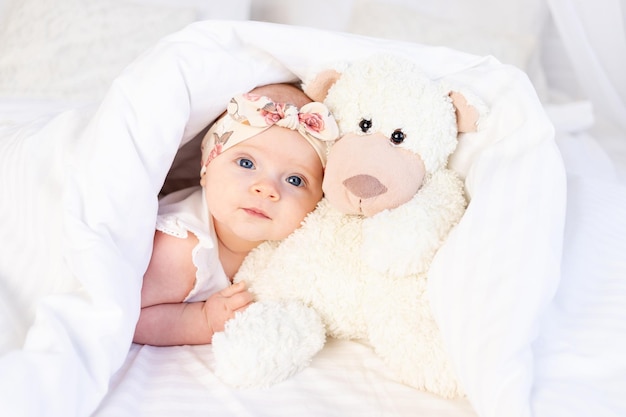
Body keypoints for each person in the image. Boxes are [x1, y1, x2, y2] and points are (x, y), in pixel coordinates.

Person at [133, 83, 338, 346]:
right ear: (206, 170)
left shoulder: (300, 248)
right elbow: (129, 316)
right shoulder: (182, 249)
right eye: (247, 163)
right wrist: (202, 320)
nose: (266, 189)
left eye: (295, 180)